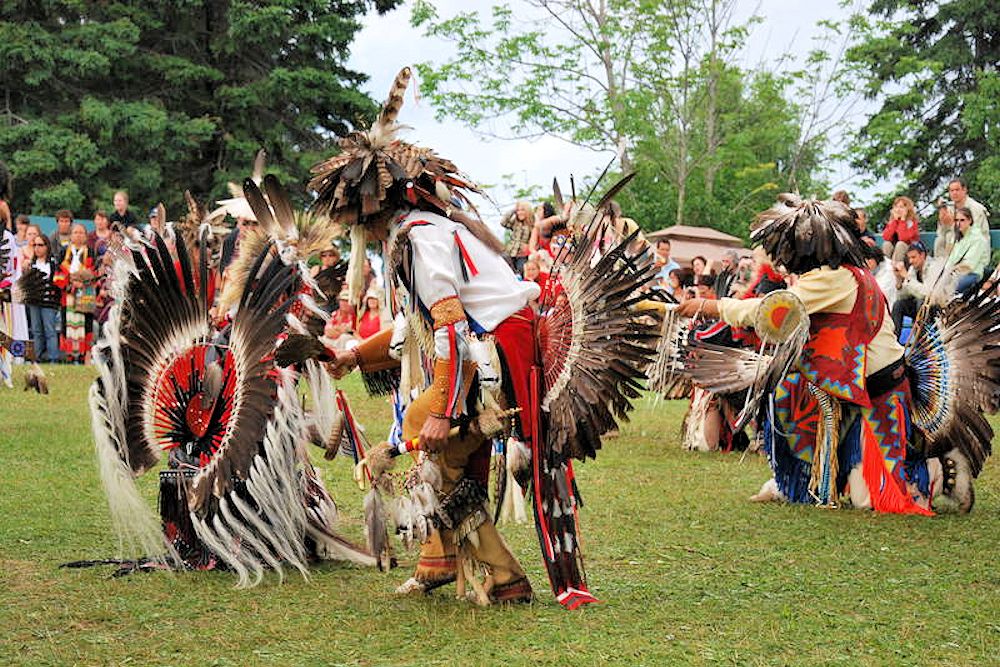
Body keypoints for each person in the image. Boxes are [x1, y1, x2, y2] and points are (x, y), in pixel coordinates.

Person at [676, 194, 941, 515]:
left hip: (881, 392)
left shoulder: (835, 279)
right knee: (787, 389)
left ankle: (933, 472)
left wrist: (709, 305)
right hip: (853, 388)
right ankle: (798, 483)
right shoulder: (840, 275)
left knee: (871, 500)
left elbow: (772, 309)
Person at [57, 223, 96, 363]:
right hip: (68, 296)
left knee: (86, 324)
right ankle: (69, 355)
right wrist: (69, 282)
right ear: (71, 235)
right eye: (75, 232)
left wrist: (83, 282)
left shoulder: (90, 252)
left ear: (86, 236)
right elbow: (57, 274)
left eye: (81, 233)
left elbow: (94, 272)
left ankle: (85, 355)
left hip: (84, 294)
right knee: (66, 324)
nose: (78, 235)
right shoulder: (63, 252)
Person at [891, 241, 944, 339]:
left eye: (913, 257)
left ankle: (922, 345)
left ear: (922, 255)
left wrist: (907, 277)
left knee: (921, 302)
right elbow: (903, 296)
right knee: (898, 305)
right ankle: (895, 345)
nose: (910, 261)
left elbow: (927, 293)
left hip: (936, 307)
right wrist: (899, 281)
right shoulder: (913, 269)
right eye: (909, 258)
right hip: (920, 308)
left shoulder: (934, 266)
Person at [25, 235, 62, 363]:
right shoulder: (31, 264)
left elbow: (58, 283)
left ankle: (53, 358)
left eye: (40, 245)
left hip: (48, 302)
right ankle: (36, 358)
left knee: (50, 330)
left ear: (47, 246)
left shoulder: (53, 263)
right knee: (36, 330)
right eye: (35, 245)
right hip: (34, 301)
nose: (37, 248)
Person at [946, 206, 991, 295]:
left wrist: (950, 272)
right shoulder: (959, 237)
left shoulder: (977, 238)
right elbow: (950, 260)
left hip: (972, 274)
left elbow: (969, 265)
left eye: (962, 220)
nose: (959, 223)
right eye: (956, 220)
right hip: (955, 274)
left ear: (970, 220)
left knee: (948, 289)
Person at [937, 178, 990, 250]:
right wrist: (942, 220)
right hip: (952, 251)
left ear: (964, 190)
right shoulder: (949, 208)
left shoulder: (976, 208)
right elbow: (941, 233)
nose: (954, 193)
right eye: (952, 191)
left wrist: (952, 224)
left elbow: (973, 234)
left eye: (957, 190)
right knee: (940, 240)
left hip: (975, 250)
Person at [881, 196, 921, 262]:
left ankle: (896, 269)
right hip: (894, 252)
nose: (898, 210)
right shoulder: (893, 222)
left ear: (907, 209)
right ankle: (885, 267)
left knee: (900, 244)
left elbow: (903, 238)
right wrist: (895, 221)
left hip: (908, 252)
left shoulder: (911, 223)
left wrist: (902, 220)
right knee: (886, 244)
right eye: (896, 207)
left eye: (901, 207)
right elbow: (886, 237)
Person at [500, 201, 534, 272]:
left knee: (521, 269)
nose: (519, 212)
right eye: (518, 210)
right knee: (505, 267)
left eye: (522, 210)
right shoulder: (515, 222)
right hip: (511, 251)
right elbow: (503, 222)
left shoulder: (532, 223)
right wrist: (513, 210)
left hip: (523, 254)